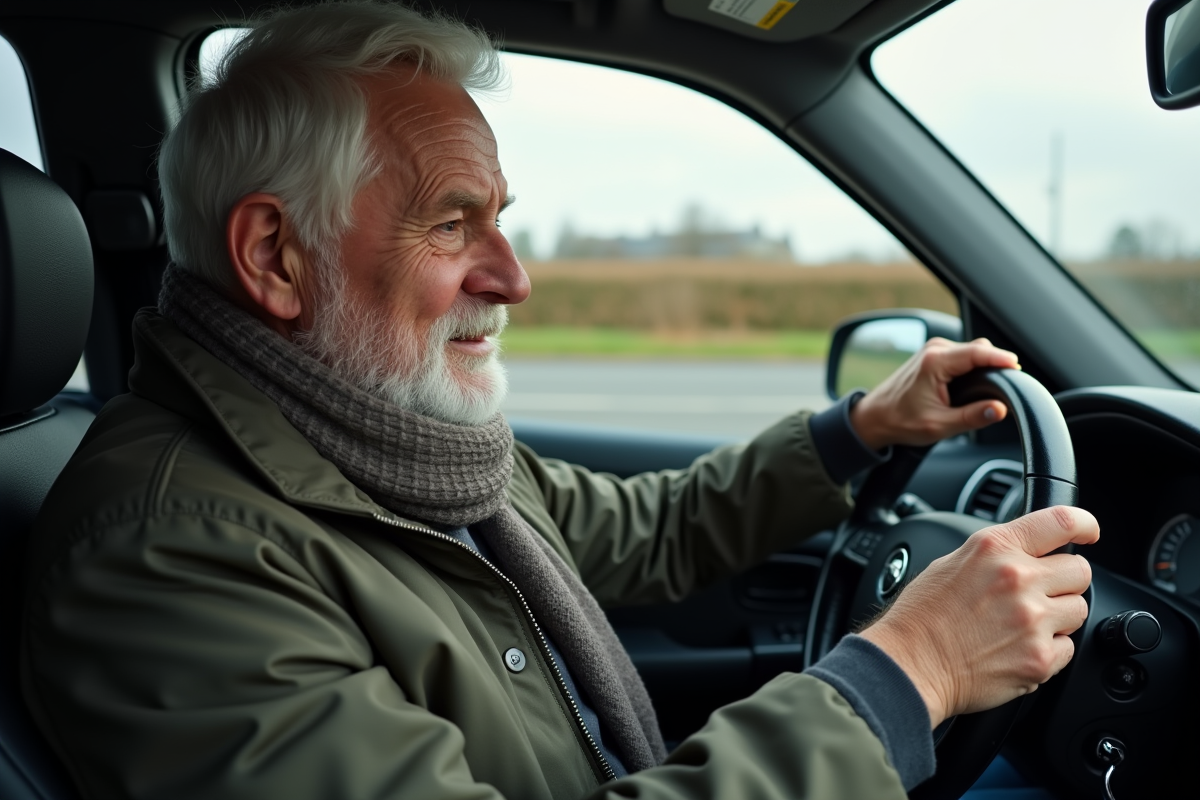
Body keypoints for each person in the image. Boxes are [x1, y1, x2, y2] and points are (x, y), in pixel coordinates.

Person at [20, 3, 1098, 799]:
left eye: (501, 218)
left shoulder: (384, 444)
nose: (513, 275)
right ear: (276, 256)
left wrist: (859, 430)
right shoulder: (169, 554)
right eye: (452, 223)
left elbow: (649, 526)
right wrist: (906, 672)